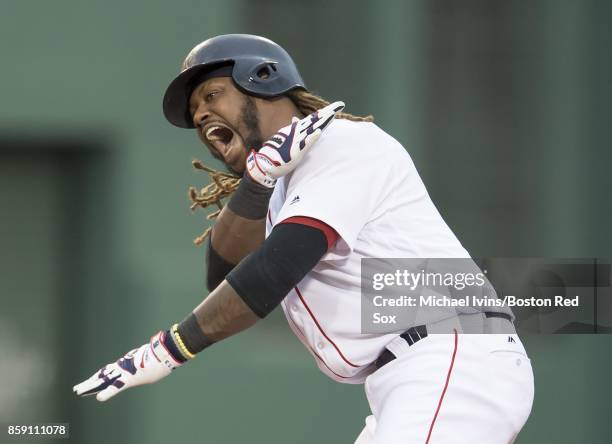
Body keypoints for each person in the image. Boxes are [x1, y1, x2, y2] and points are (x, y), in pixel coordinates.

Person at [74, 34, 534, 443]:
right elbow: (224, 277)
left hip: (452, 357)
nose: (202, 116)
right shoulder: (277, 185)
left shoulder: (344, 142)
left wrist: (171, 348)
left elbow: (275, 270)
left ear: (264, 79)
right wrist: (255, 187)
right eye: (196, 114)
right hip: (416, 372)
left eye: (212, 94)